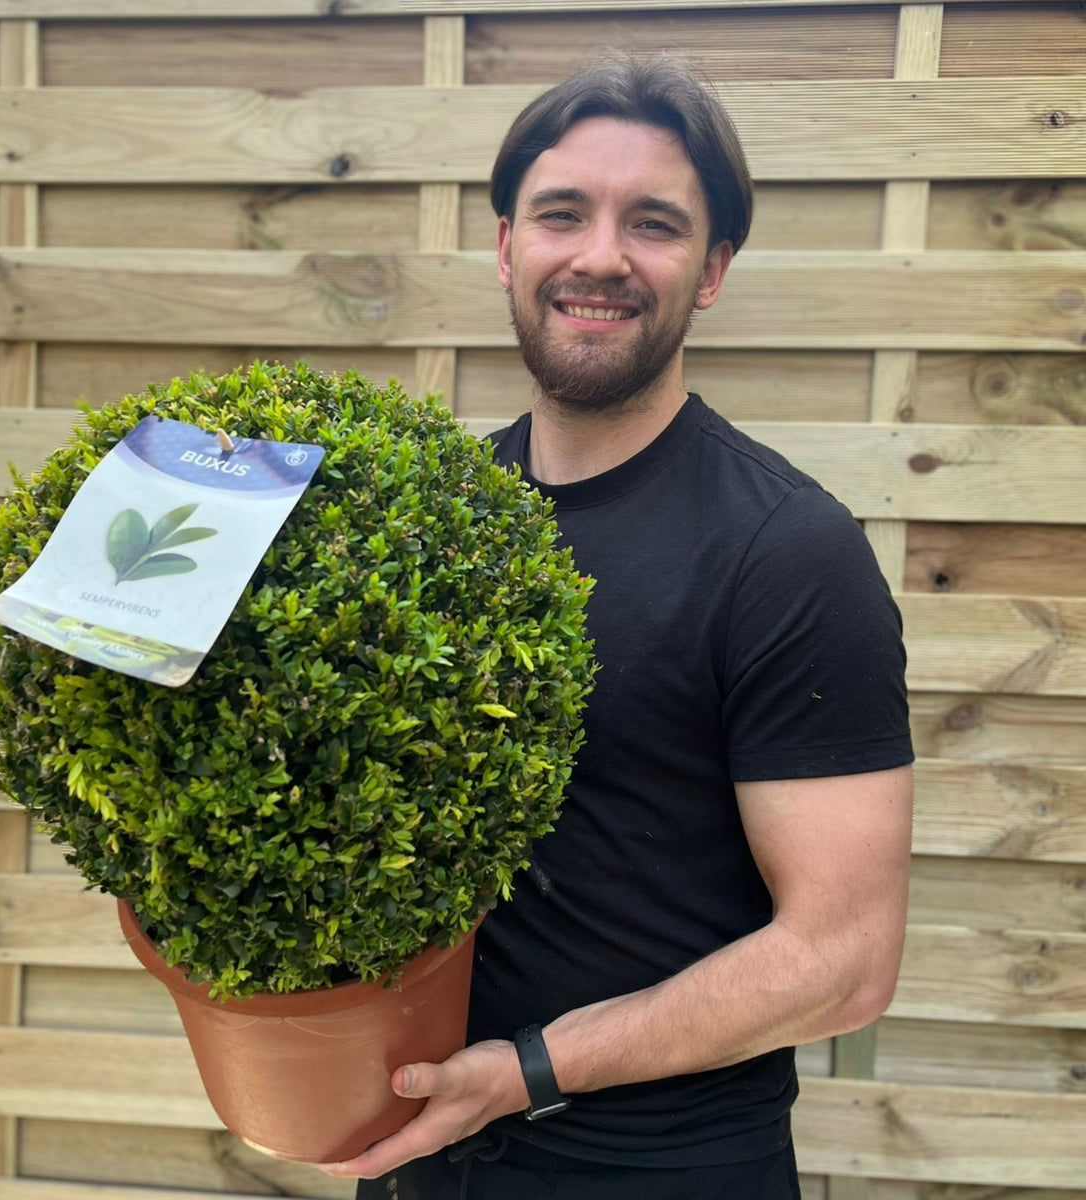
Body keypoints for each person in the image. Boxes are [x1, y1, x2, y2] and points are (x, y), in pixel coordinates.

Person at [320, 53, 914, 1199]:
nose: (599, 256)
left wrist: (529, 1069)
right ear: (507, 247)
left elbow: (844, 962)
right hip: (413, 1149)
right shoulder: (430, 519)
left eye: (652, 223)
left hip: (657, 1168)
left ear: (712, 270)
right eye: (561, 214)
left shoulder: (786, 551)